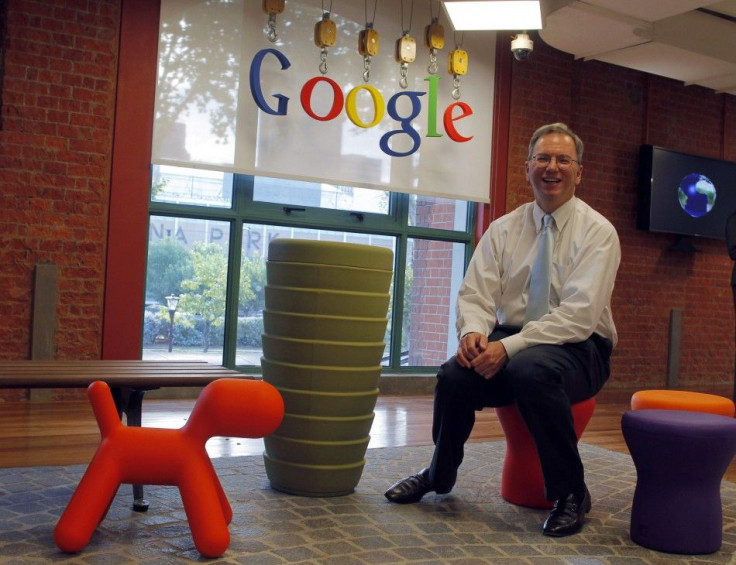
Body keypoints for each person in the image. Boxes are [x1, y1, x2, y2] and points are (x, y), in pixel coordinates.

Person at [384, 122, 621, 537]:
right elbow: (475, 293)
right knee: (455, 374)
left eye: (563, 159)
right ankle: (439, 474)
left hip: (581, 347)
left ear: (579, 172)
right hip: (514, 339)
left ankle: (571, 493)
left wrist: (508, 348)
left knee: (530, 370)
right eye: (543, 158)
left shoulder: (598, 233)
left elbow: (579, 316)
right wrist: (473, 334)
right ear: (528, 168)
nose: (552, 167)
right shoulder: (504, 229)